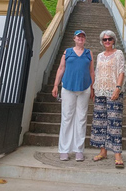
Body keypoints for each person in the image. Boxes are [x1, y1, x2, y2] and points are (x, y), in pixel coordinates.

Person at [52, 30, 94, 161]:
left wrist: (92, 88)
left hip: (85, 87)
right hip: (68, 87)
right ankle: (64, 150)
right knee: (67, 118)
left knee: (81, 119)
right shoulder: (67, 52)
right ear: (74, 38)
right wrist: (55, 85)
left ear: (85, 39)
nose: (81, 38)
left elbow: (92, 71)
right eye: (78, 36)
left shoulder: (89, 53)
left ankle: (78, 150)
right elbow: (61, 68)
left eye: (83, 37)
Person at [90, 30, 126, 169]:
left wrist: (118, 88)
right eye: (105, 39)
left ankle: (117, 154)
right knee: (100, 122)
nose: (107, 41)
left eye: (109, 39)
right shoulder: (100, 55)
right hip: (100, 91)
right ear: (102, 41)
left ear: (114, 40)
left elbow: (121, 71)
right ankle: (103, 152)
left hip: (114, 92)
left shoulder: (118, 53)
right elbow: (98, 72)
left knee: (114, 122)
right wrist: (94, 89)